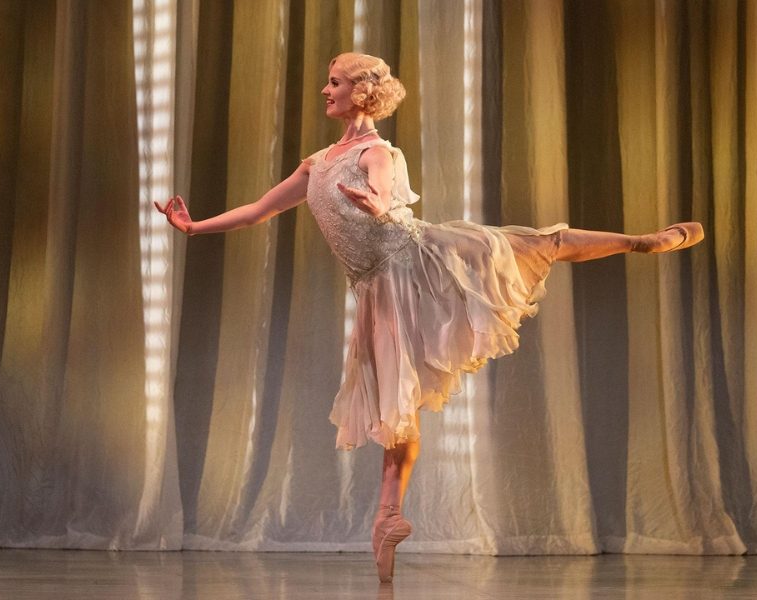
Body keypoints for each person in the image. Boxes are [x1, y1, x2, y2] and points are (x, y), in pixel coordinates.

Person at [156, 52, 703, 582]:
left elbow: (383, 188)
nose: (326, 90)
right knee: (399, 400)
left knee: (539, 243)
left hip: (419, 262)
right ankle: (388, 513)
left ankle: (642, 241)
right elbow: (258, 211)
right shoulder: (317, 164)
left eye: (336, 81)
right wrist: (194, 227)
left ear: (362, 91)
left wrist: (378, 203)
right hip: (376, 287)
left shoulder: (378, 151)